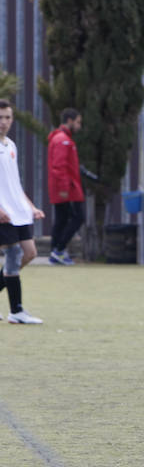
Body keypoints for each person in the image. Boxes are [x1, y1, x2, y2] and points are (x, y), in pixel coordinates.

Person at [0, 99, 44, 324]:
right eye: (0, 118)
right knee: (14, 255)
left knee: (30, 253)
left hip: (17, 212)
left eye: (7, 117)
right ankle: (16, 311)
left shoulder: (11, 146)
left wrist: (31, 206)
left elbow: (14, 184)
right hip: (2, 214)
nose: (4, 122)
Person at [47, 107, 85, 266]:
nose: (79, 126)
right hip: (67, 189)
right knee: (79, 217)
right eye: (78, 122)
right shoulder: (63, 140)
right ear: (69, 121)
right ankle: (59, 250)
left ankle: (55, 251)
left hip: (62, 187)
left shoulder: (60, 138)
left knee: (62, 219)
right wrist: (64, 188)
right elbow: (59, 166)